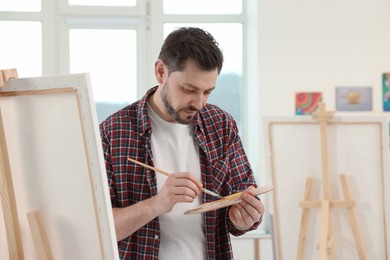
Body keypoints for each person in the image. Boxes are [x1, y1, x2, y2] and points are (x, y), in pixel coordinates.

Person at [99, 27, 265, 260]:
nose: (198, 103)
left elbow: (241, 208)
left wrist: (244, 219)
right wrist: (158, 204)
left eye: (207, 92)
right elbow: (100, 229)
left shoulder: (222, 125)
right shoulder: (113, 132)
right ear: (160, 72)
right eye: (189, 89)